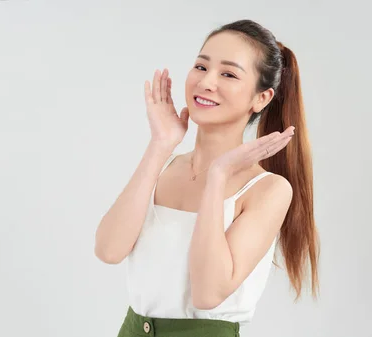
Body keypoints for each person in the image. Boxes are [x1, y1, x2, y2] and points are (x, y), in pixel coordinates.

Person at [94, 19, 320, 337]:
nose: (207, 82)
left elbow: (208, 294)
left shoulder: (268, 190)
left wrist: (217, 178)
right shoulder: (164, 165)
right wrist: (160, 145)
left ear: (262, 98)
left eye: (228, 74)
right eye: (201, 67)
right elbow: (108, 250)